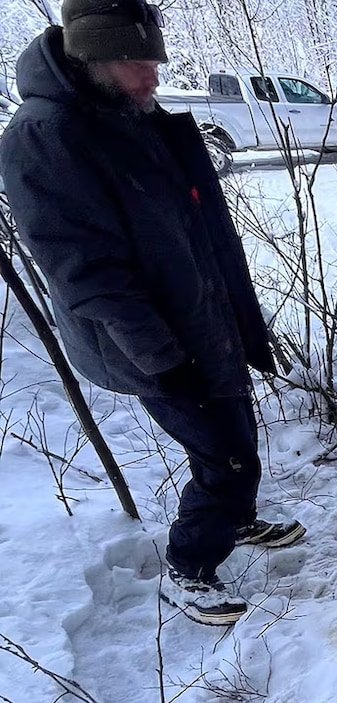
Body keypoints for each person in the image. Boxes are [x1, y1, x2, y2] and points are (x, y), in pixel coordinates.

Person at [0, 0, 305, 626]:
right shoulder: (44, 137)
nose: (154, 76)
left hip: (203, 317)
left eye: (155, 58)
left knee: (238, 429)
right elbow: (87, 273)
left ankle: (237, 519)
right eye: (137, 62)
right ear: (93, 58)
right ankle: (189, 568)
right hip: (149, 340)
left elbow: (193, 226)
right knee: (221, 452)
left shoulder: (131, 113)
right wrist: (163, 358)